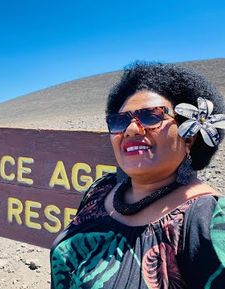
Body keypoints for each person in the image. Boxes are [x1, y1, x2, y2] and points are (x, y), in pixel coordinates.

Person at [50, 62, 225, 289]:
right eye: (119, 120)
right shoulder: (101, 190)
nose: (131, 129)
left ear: (189, 136)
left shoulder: (208, 220)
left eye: (152, 116)